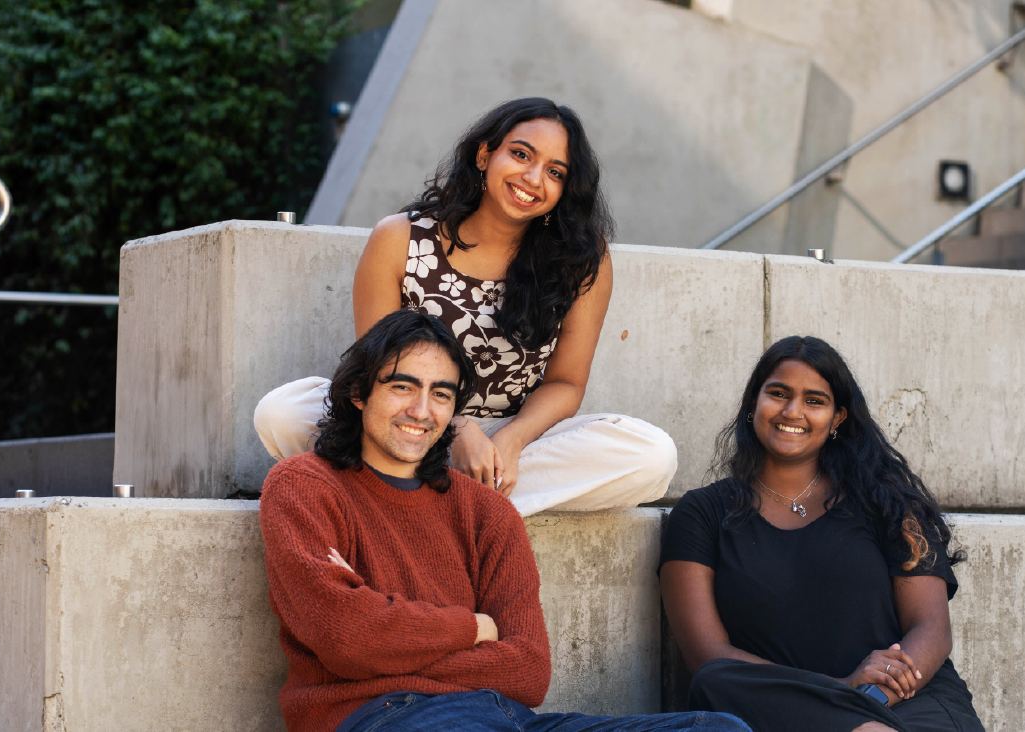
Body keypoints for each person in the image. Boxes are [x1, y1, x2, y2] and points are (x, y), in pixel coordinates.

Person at [259, 309, 748, 732]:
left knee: (722, 728)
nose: (421, 410)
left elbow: (529, 673)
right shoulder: (305, 486)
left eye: (441, 395)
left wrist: (390, 637)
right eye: (402, 386)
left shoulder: (486, 511)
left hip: (505, 717)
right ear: (360, 394)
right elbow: (347, 639)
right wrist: (474, 628)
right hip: (381, 715)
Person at [255, 97, 675, 516]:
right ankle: (460, 499)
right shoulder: (402, 238)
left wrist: (510, 442)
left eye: (555, 172)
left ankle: (413, 496)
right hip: (404, 419)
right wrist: (454, 428)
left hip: (507, 438)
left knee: (651, 454)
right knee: (284, 412)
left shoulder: (581, 261)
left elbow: (565, 383)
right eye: (521, 154)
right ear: (484, 154)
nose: (532, 178)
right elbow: (378, 367)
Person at [658, 336, 984, 732]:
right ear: (754, 403)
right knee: (716, 680)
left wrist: (874, 694)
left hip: (904, 703)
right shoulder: (701, 514)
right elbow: (708, 655)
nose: (793, 411)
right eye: (778, 393)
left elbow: (932, 629)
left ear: (838, 418)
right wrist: (842, 688)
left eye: (814, 400)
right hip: (791, 710)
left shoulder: (888, 502)